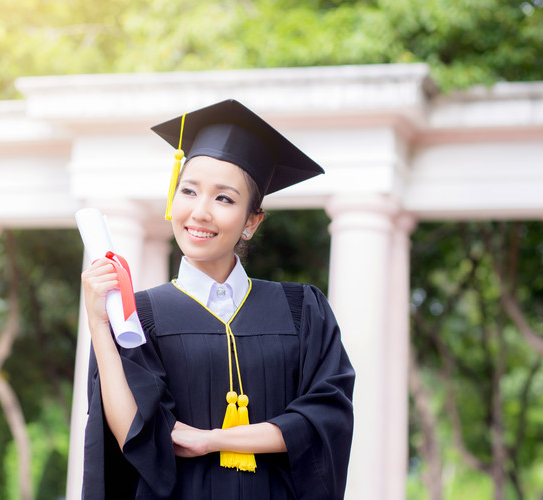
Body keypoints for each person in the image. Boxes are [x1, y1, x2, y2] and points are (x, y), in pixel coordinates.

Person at [81, 99, 355, 500]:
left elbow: (326, 416)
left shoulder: (302, 311)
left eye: (224, 199)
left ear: (251, 221)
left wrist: (212, 441)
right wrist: (100, 325)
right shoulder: (140, 315)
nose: (200, 212)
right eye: (188, 191)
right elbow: (134, 434)